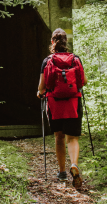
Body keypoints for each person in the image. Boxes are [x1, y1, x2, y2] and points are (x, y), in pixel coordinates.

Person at [37, 28, 87, 189]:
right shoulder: (75, 59)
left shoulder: (47, 61)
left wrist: (39, 93)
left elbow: (42, 86)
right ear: (66, 42)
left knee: (59, 137)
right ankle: (74, 164)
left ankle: (62, 172)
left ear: (52, 42)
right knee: (72, 138)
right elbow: (83, 81)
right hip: (73, 103)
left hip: (54, 103)